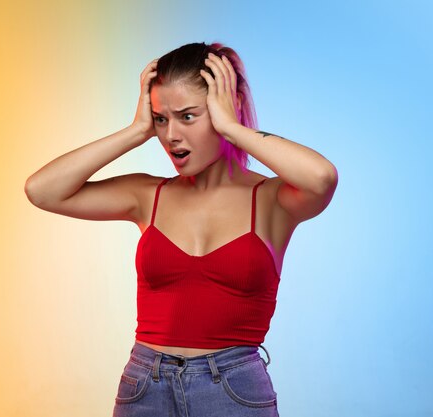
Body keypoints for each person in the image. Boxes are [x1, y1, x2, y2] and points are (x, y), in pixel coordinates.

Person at [25, 41, 338, 416]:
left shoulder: (273, 199)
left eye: (187, 116)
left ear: (227, 107)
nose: (170, 135)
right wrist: (135, 131)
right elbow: (42, 190)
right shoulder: (148, 194)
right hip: (145, 386)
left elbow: (321, 177)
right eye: (161, 119)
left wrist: (232, 127)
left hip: (234, 390)